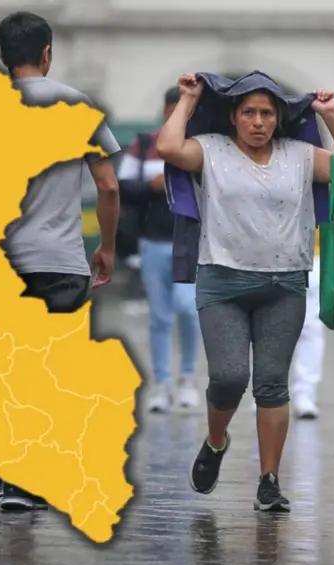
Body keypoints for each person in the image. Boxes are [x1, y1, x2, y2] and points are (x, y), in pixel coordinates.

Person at [157, 72, 334, 512]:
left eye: (266, 113)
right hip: (222, 281)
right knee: (229, 377)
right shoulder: (211, 149)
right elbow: (168, 148)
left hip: (284, 282)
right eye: (248, 112)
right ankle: (216, 442)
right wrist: (190, 100)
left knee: (272, 384)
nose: (257, 121)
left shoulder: (300, 155)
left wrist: (331, 117)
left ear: (278, 118)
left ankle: (269, 481)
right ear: (233, 117)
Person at [0, 11, 122, 511]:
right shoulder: (76, 106)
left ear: (2, 55)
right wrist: (108, 247)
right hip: (58, 261)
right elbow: (108, 186)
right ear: (48, 54)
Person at [118, 87, 201, 413]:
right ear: (165, 111)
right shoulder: (144, 146)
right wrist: (150, 187)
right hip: (152, 241)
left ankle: (189, 378)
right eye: (172, 109)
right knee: (159, 317)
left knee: (188, 310)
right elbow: (123, 186)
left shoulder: (197, 147)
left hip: (189, 242)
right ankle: (162, 383)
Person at [290, 228, 325, 419]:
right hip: (269, 254)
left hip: (314, 254)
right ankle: (265, 391)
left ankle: (305, 393)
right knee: (269, 326)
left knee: (311, 329)